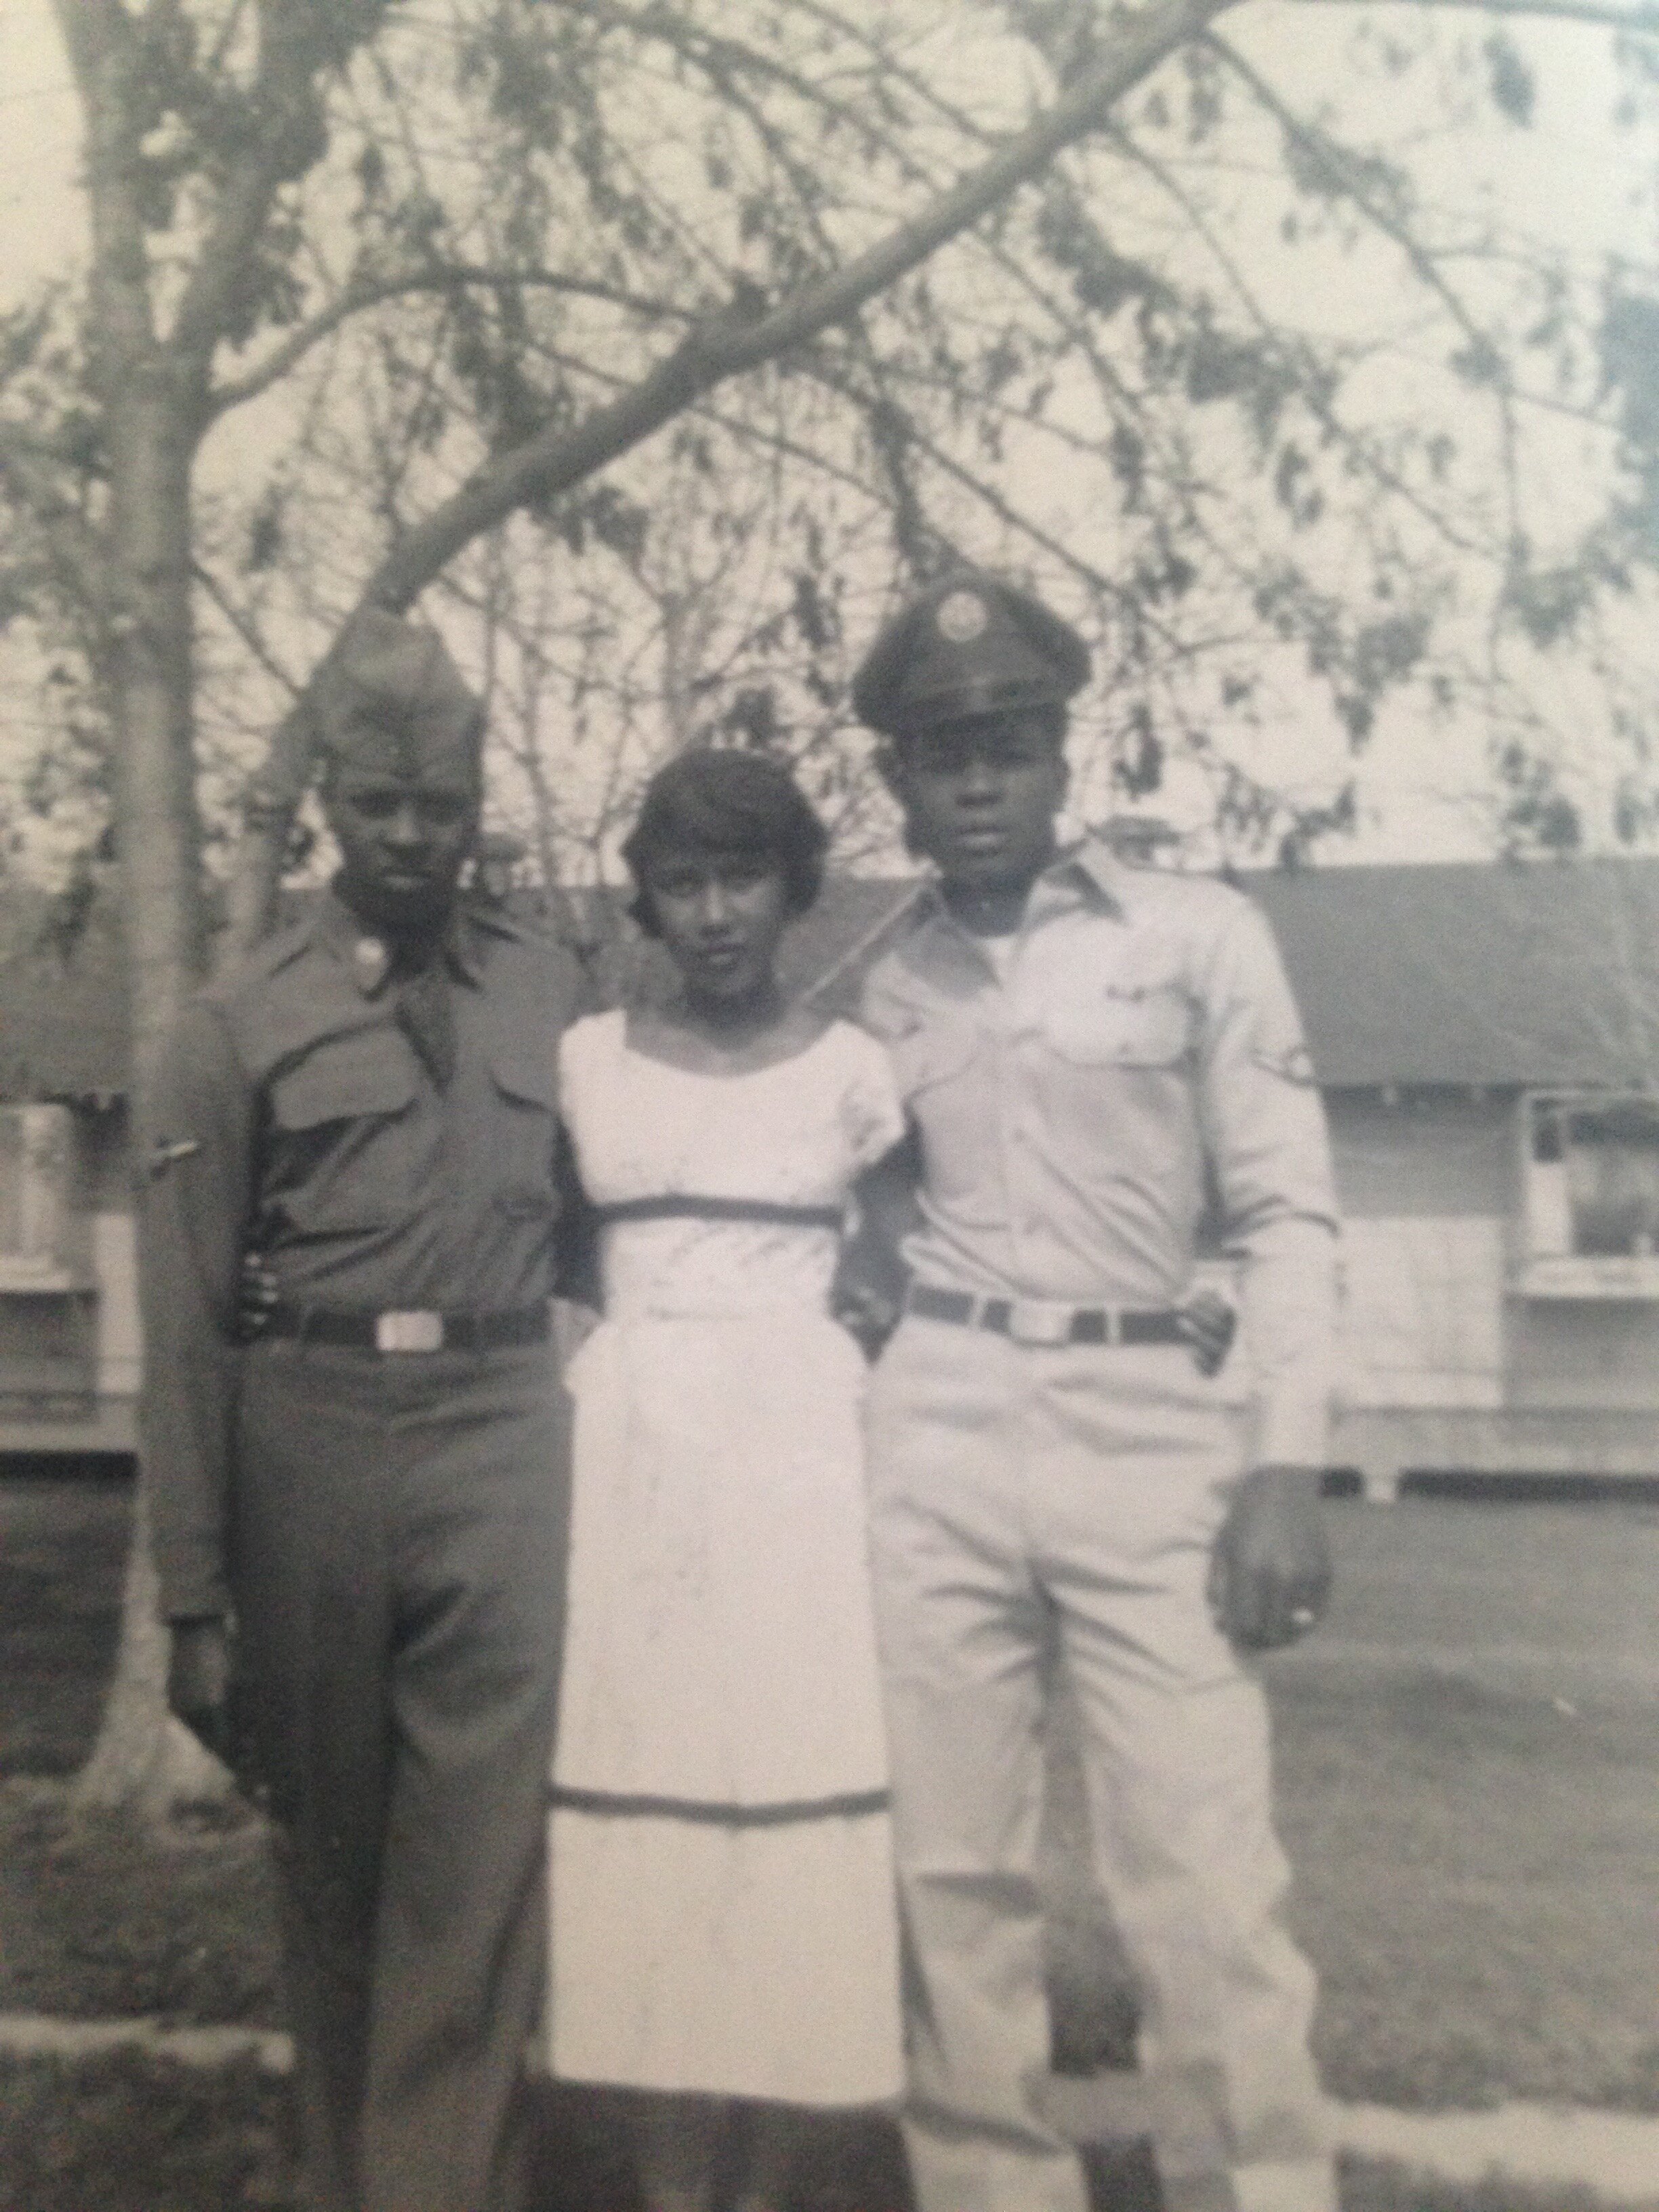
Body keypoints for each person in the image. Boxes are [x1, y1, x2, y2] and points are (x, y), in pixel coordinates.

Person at [851, 573, 1342, 2212]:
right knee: (951, 1882)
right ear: (903, 783)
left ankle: (1254, 2192)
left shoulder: (1198, 936)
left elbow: (1288, 1216)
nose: (977, 781)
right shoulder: (878, 981)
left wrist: (1285, 1465)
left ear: (1062, 756)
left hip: (1153, 1433)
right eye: (941, 754)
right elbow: (850, 1201)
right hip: (938, 1420)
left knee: (1202, 1887)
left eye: (1005, 744)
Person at [141, 611, 584, 2212]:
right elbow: (186, 1329)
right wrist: (192, 1594)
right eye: (382, 803)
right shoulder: (233, 1019)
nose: (413, 836)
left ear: (480, 804)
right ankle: (345, 2178)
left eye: (443, 804)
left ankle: (435, 2189)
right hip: (310, 1434)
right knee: (332, 1869)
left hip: (504, 1433)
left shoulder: (551, 994)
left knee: (477, 1872)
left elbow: (615, 1222)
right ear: (330, 798)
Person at [548, 748, 907, 2212]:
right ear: (647, 897)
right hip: (630, 1464)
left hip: (794, 1481)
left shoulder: (853, 1074)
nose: (712, 913)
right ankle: (668, 2190)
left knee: (784, 1822)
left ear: (793, 891)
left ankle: (762, 2189)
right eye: (683, 882)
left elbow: (891, 1275)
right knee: (651, 1827)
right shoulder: (585, 1060)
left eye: (741, 879)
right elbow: (559, 1261)